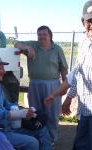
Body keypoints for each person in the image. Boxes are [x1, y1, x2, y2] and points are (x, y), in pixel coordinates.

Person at [0, 55, 52, 150]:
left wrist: (23, 110)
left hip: (7, 127)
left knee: (42, 131)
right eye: (0, 68)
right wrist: (18, 114)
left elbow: (6, 104)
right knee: (32, 143)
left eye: (3, 68)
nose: (4, 71)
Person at [44, 1, 92, 149]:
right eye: (89, 20)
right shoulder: (84, 42)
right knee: (80, 145)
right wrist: (66, 98)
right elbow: (77, 74)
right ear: (83, 22)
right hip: (85, 111)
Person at [14, 25, 68, 144]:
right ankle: (39, 136)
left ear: (50, 36)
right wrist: (26, 46)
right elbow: (16, 43)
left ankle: (52, 139)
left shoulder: (57, 49)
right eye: (39, 34)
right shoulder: (33, 45)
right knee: (35, 113)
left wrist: (65, 85)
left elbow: (64, 68)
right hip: (34, 85)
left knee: (52, 114)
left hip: (52, 85)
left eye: (44, 34)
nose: (41, 37)